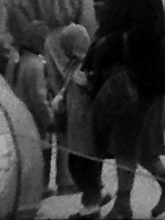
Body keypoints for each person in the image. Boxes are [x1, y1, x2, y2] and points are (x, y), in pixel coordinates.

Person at [86, 0, 165, 220]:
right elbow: (108, 25)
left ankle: (123, 205)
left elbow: (150, 34)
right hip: (124, 74)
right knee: (135, 141)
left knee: (127, 139)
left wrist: (112, 42)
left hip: (142, 78)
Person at [28, 0, 97, 194]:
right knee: (68, 110)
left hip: (40, 42)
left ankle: (42, 181)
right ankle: (66, 178)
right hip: (70, 43)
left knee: (42, 110)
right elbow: (88, 18)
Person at [54, 23, 107, 220]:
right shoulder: (72, 66)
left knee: (85, 167)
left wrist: (85, 84)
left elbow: (92, 88)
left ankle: (92, 205)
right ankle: (92, 200)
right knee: (76, 165)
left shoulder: (88, 65)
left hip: (86, 125)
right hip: (75, 124)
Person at [10, 20, 53, 193]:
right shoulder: (35, 65)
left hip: (16, 118)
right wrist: (49, 120)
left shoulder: (14, 62)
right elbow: (39, 98)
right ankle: (40, 189)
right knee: (43, 153)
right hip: (34, 121)